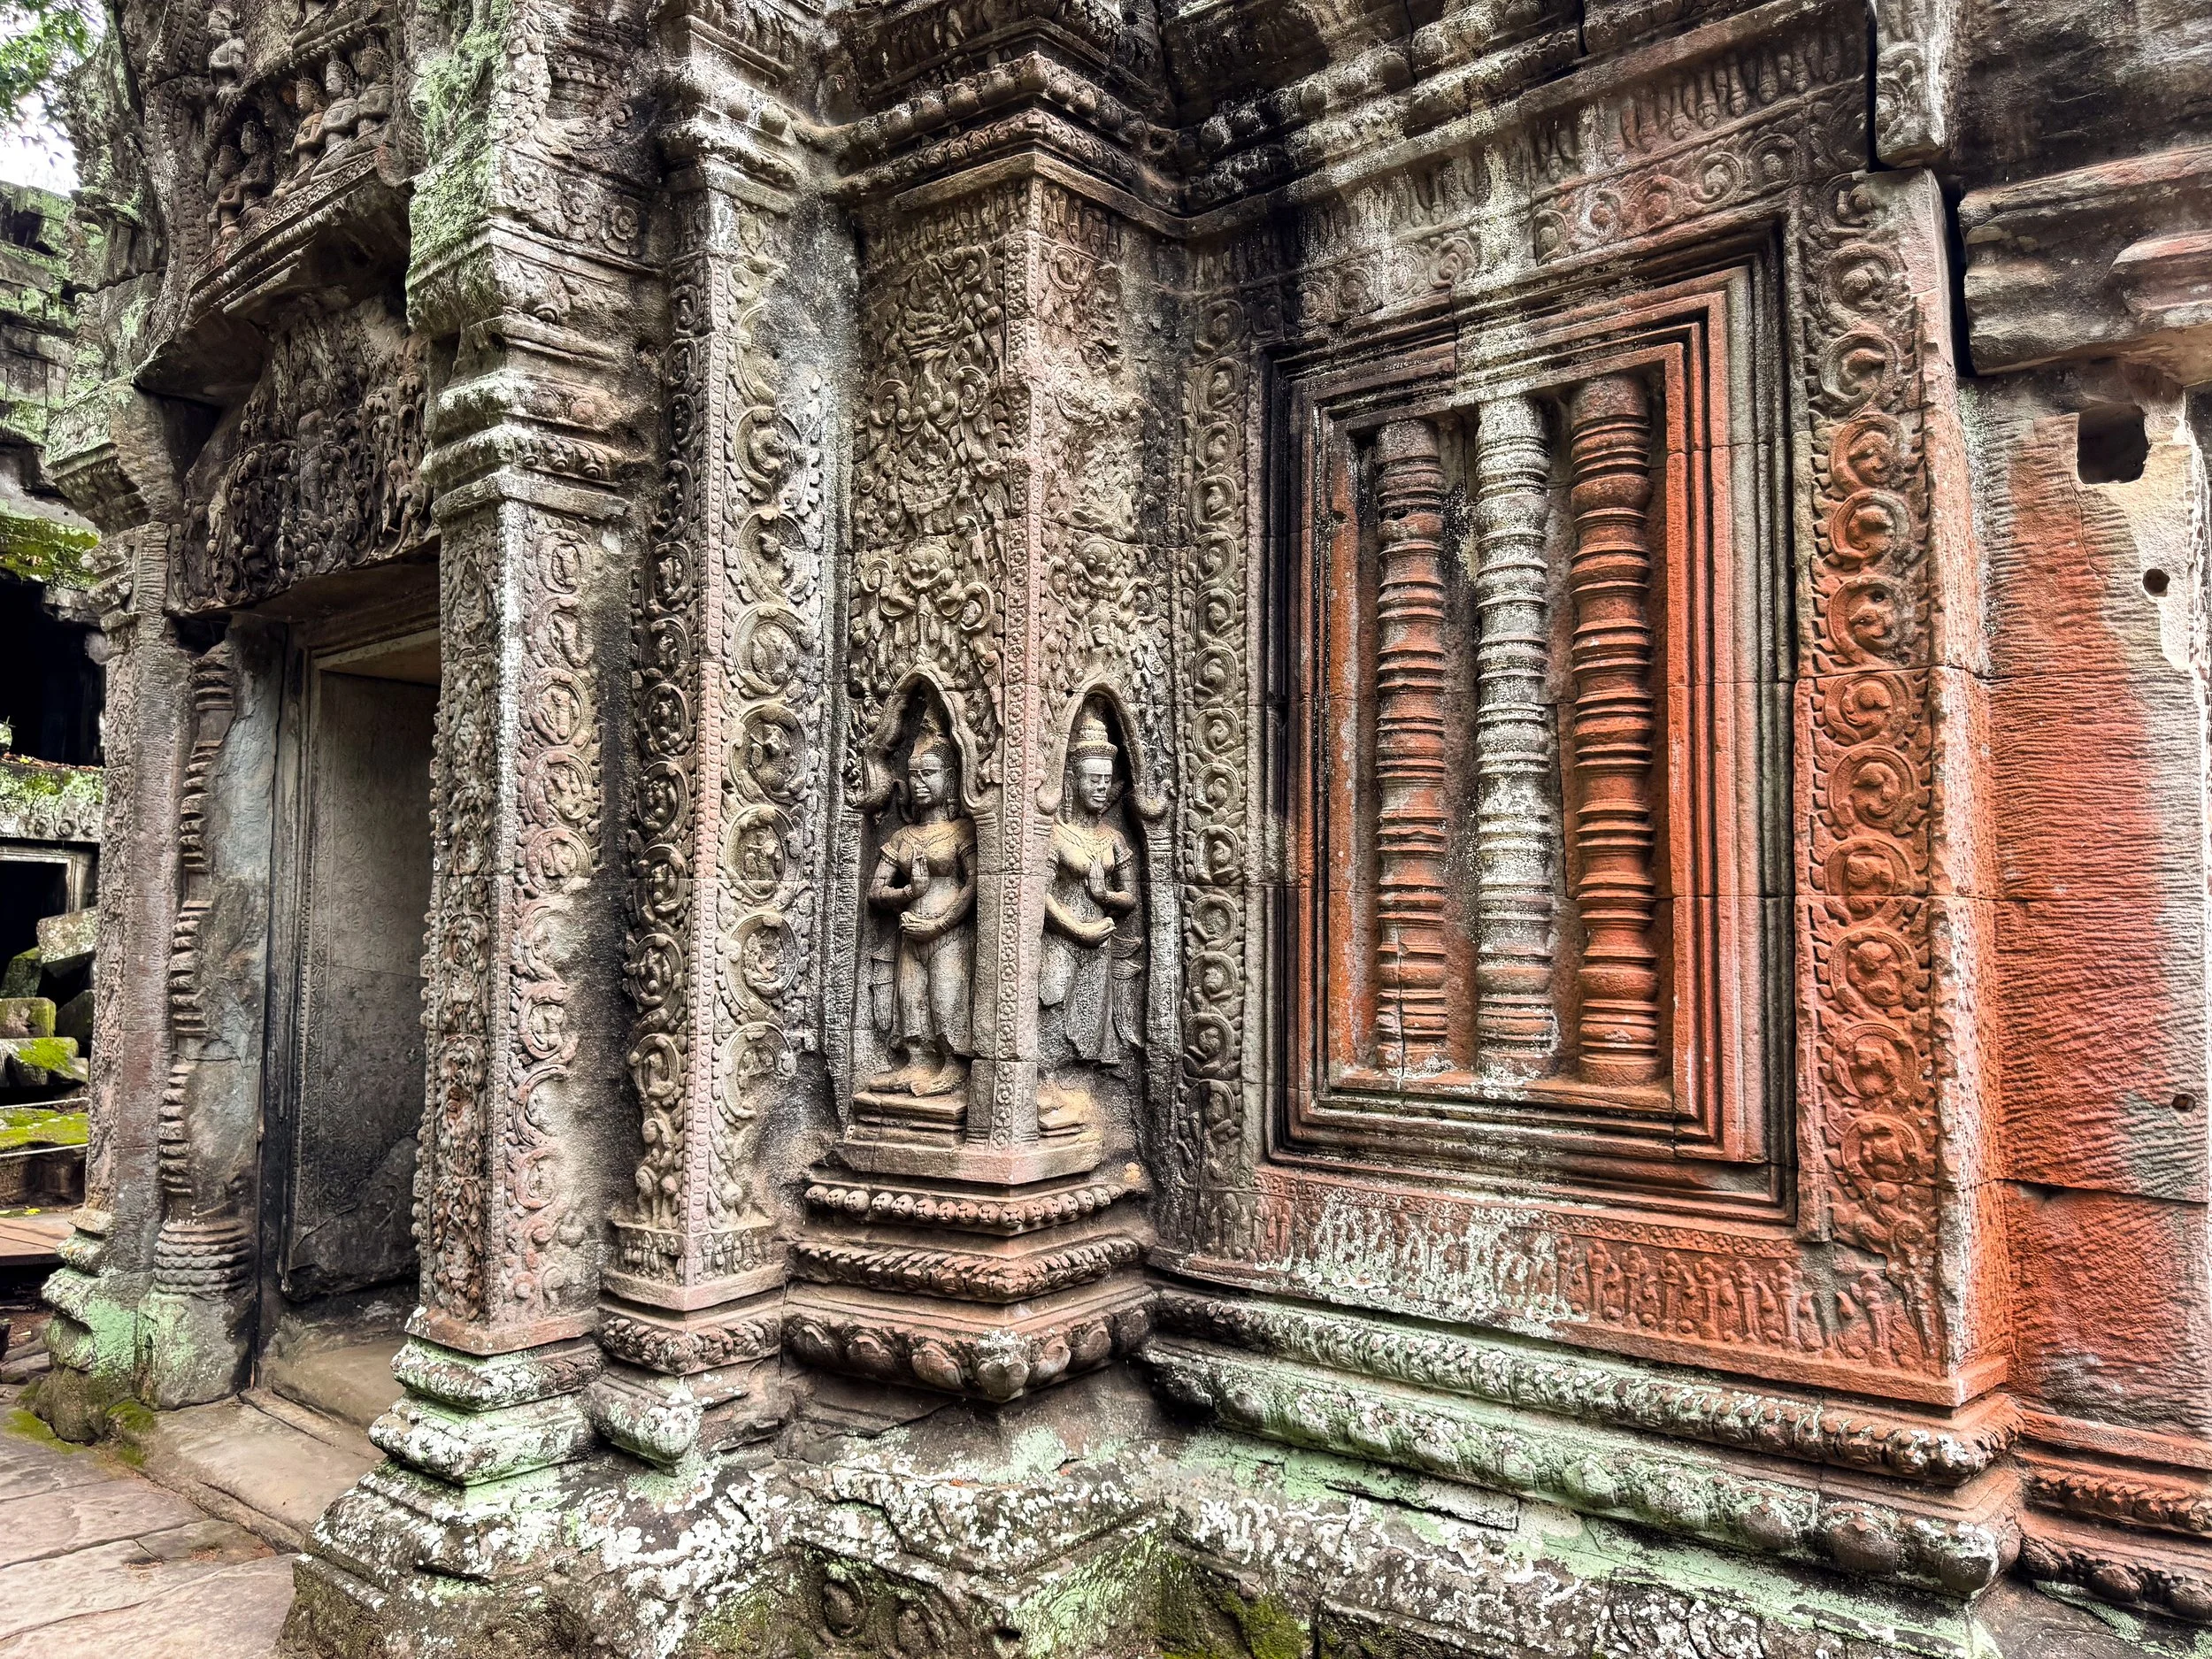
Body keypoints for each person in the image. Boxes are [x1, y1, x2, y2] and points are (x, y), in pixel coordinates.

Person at [864, 714, 975, 1098]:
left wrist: (941, 923)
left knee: (946, 1000)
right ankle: (916, 1062)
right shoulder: (904, 836)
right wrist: (910, 892)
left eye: (928, 774)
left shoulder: (962, 832)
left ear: (950, 779)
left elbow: (977, 884)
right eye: (913, 775)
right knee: (911, 1003)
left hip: (950, 932)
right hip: (911, 932)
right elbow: (876, 892)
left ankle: (954, 1064)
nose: (918, 783)